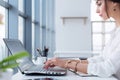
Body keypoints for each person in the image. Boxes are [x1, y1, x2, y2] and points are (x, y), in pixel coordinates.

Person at [44, 0, 120, 78]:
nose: (97, 10)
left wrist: (66, 64)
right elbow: (102, 58)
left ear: (114, 2)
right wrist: (65, 62)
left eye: (99, 4)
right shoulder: (115, 31)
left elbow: (106, 68)